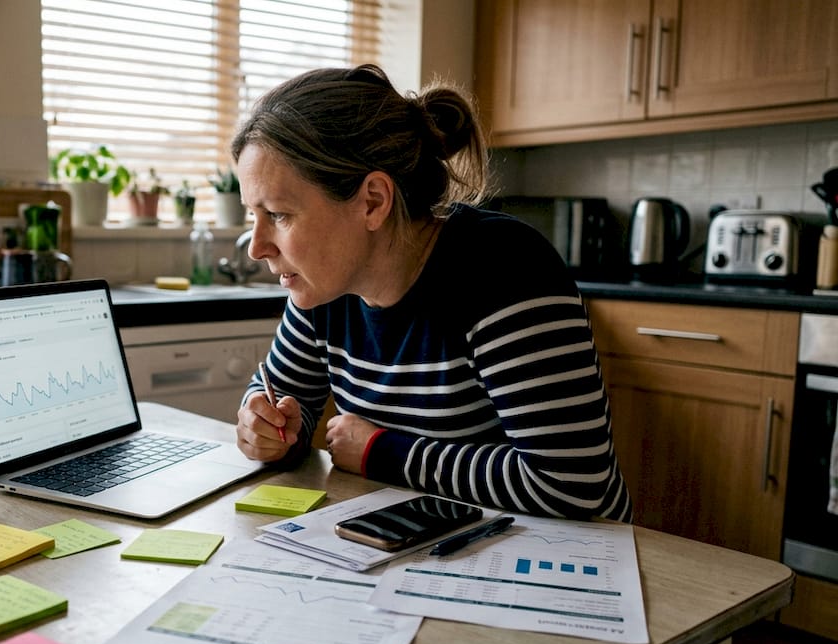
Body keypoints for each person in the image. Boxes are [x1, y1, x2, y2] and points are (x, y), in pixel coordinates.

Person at [233, 64, 631, 522]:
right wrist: (262, 425)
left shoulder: (504, 267)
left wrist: (382, 452)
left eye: (279, 214)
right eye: (253, 215)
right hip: (428, 536)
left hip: (567, 557)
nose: (258, 247)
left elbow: (571, 484)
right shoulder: (323, 287)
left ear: (373, 202)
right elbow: (288, 405)